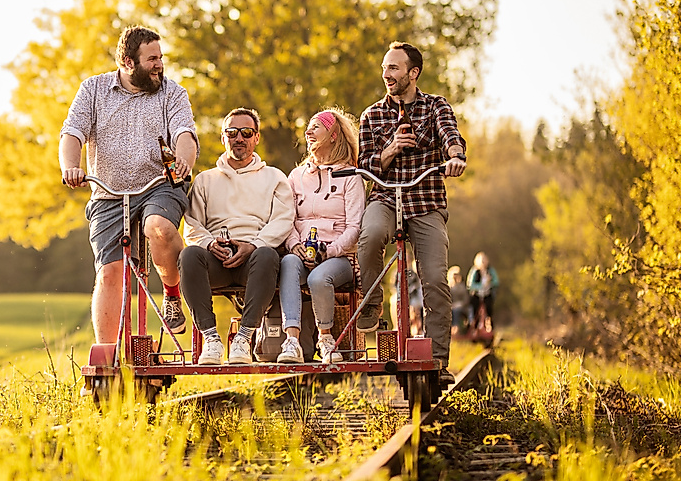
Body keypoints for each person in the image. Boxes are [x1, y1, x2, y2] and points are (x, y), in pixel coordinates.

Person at [60, 25, 199, 344]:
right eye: (151, 59)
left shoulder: (171, 92)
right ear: (127, 62)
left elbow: (184, 134)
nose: (159, 65)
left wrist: (184, 159)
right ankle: (106, 356)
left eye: (161, 57)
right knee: (109, 273)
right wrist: (71, 167)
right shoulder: (92, 90)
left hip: (160, 183)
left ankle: (172, 295)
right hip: (108, 192)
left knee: (159, 227)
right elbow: (72, 133)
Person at [354, 41, 467, 385]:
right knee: (370, 235)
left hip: (426, 201)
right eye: (385, 68)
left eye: (394, 68)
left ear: (413, 73)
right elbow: (364, 165)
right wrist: (390, 150)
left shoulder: (435, 107)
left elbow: (451, 135)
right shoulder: (372, 115)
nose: (386, 75)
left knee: (434, 278)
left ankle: (437, 359)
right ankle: (372, 299)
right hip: (386, 198)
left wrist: (455, 155)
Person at [180, 108, 295, 364]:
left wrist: (253, 244)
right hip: (216, 260)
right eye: (232, 132)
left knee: (267, 254)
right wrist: (209, 243)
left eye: (246, 132)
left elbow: (284, 220)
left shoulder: (274, 177)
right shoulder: (204, 180)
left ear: (256, 138)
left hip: (254, 260)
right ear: (223, 138)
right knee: (189, 255)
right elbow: (191, 225)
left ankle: (243, 338)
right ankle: (211, 339)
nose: (239, 138)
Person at [276, 108, 365, 364]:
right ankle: (291, 341)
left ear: (334, 135)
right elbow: (287, 219)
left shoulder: (350, 177)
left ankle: (326, 339)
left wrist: (330, 250)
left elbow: (354, 228)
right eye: (309, 127)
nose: (308, 131)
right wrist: (294, 245)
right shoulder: (296, 176)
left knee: (318, 277)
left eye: (316, 127)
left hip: (339, 258)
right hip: (303, 252)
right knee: (288, 264)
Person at [467, 252, 499, 332]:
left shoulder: (490, 270)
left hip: (487, 294)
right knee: (474, 308)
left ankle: (490, 327)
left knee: (489, 309)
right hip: (477, 294)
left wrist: (490, 283)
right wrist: (481, 286)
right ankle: (473, 326)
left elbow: (496, 281)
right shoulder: (475, 271)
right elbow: (470, 284)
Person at [447, 266, 471, 334]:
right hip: (450, 307)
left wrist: (460, 304)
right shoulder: (448, 288)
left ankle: (456, 328)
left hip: (462, 307)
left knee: (456, 311)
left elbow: (466, 299)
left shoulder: (462, 287)